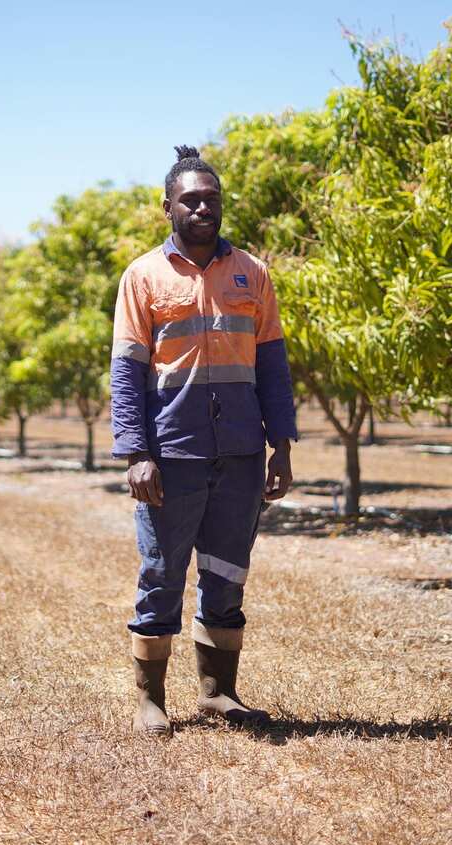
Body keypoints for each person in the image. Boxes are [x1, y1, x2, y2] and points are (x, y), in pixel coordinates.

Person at [110, 145, 297, 738]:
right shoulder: (143, 277)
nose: (202, 208)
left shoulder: (252, 273)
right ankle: (151, 700)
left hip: (240, 451)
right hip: (173, 454)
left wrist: (282, 444)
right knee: (162, 571)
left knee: (227, 571)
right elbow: (126, 371)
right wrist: (138, 453)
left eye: (211, 199)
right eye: (190, 199)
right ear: (167, 207)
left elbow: (273, 366)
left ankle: (219, 692)